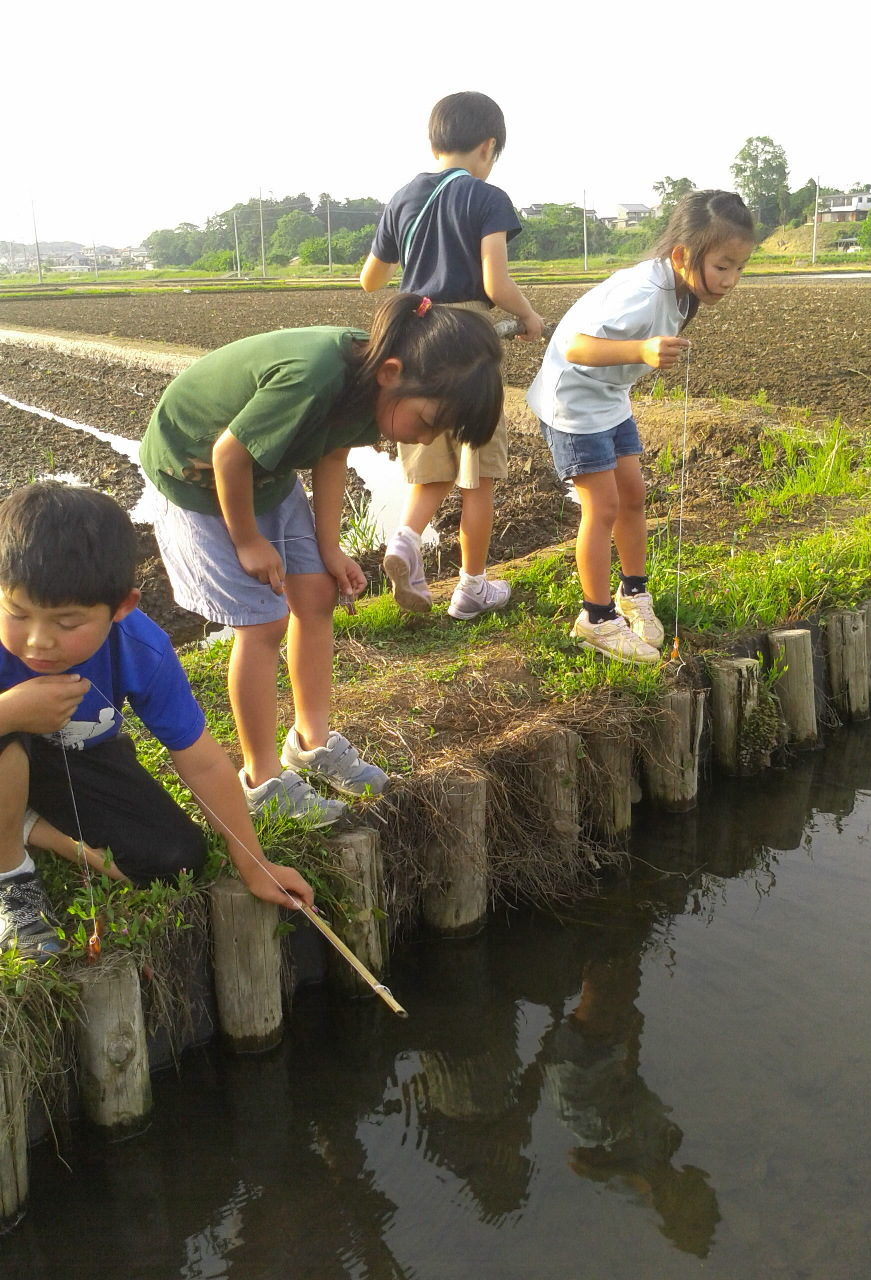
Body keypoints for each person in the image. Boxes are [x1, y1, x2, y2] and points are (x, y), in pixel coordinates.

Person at [140, 293, 503, 820]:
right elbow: (228, 455)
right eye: (427, 420)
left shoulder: (373, 389)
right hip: (194, 473)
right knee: (262, 622)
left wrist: (329, 550)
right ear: (393, 372)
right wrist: (247, 541)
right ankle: (262, 782)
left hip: (267, 471)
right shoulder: (315, 375)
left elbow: (331, 453)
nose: (424, 437)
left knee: (316, 594)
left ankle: (310, 743)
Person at [0, 482, 315, 957]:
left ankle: (30, 825)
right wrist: (13, 712)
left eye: (67, 624)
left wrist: (254, 864)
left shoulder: (140, 648)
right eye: (16, 614)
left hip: (79, 758)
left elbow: (204, 762)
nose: (38, 642)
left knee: (177, 859)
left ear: (123, 607)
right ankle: (11, 875)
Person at [527, 190, 755, 662]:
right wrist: (643, 351)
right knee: (603, 506)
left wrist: (640, 354)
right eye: (722, 266)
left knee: (632, 494)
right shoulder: (644, 293)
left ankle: (634, 593)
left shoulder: (679, 288)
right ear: (681, 255)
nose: (730, 280)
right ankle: (596, 617)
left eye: (739, 268)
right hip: (573, 401)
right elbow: (574, 348)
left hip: (608, 396)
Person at [360, 90, 543, 621]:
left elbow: (372, 280)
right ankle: (471, 587)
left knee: (430, 467)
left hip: (417, 339)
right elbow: (495, 280)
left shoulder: (402, 198)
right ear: (488, 148)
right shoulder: (486, 198)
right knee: (477, 474)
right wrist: (530, 317)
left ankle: (405, 540)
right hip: (467, 346)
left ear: (434, 142)